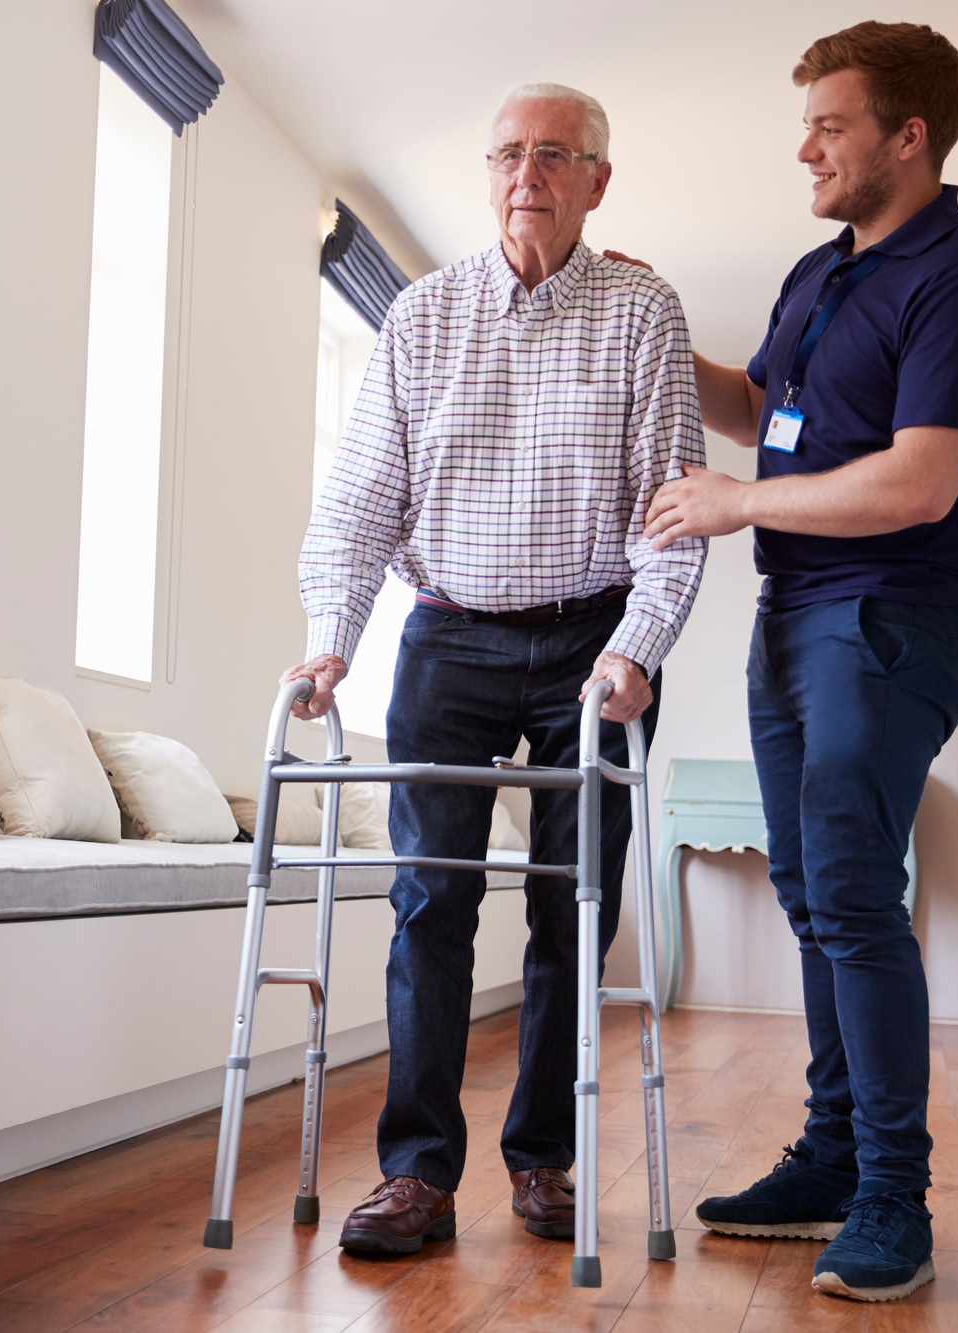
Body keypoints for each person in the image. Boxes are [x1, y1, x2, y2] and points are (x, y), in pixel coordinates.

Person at [633, 21, 958, 1303]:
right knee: (811, 894)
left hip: (889, 620)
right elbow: (764, 407)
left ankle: (891, 1200)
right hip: (792, 617)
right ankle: (830, 1155)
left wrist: (737, 503)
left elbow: (919, 482)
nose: (804, 149)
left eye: (829, 127)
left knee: (852, 894)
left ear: (907, 137)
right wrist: (657, 327)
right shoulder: (818, 270)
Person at [289, 82, 706, 1258]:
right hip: (447, 635)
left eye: (555, 155)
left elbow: (670, 511)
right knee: (429, 901)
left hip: (591, 641)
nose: (527, 174)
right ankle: (416, 1174)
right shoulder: (421, 314)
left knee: (572, 907)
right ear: (488, 175)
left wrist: (636, 649)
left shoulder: (641, 310)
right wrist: (330, 636)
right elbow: (362, 497)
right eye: (508, 155)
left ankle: (543, 1161)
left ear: (596, 181)